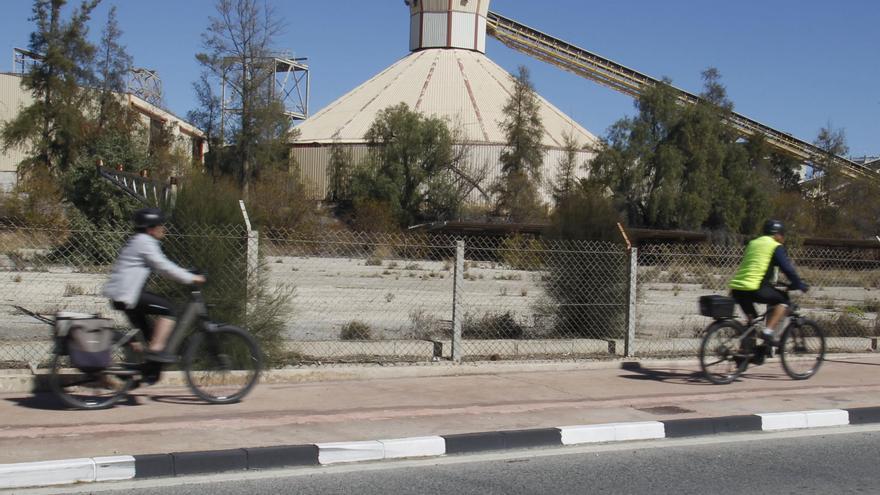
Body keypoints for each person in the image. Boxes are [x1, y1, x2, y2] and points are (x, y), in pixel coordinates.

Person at [103, 208, 205, 364]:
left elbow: (160, 266)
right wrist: (191, 278)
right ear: (151, 229)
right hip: (128, 295)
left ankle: (139, 368)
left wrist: (185, 272)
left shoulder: (138, 241)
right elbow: (163, 267)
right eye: (160, 225)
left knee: (147, 337)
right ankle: (157, 351)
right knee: (169, 310)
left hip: (122, 295)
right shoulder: (145, 242)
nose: (164, 228)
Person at [728, 219, 808, 343]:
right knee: (784, 301)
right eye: (782, 235)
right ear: (777, 234)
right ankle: (768, 332)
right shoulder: (775, 246)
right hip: (755, 287)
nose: (783, 238)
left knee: (753, 325)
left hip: (737, 289)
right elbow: (787, 269)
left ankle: (747, 353)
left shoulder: (753, 243)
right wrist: (799, 284)